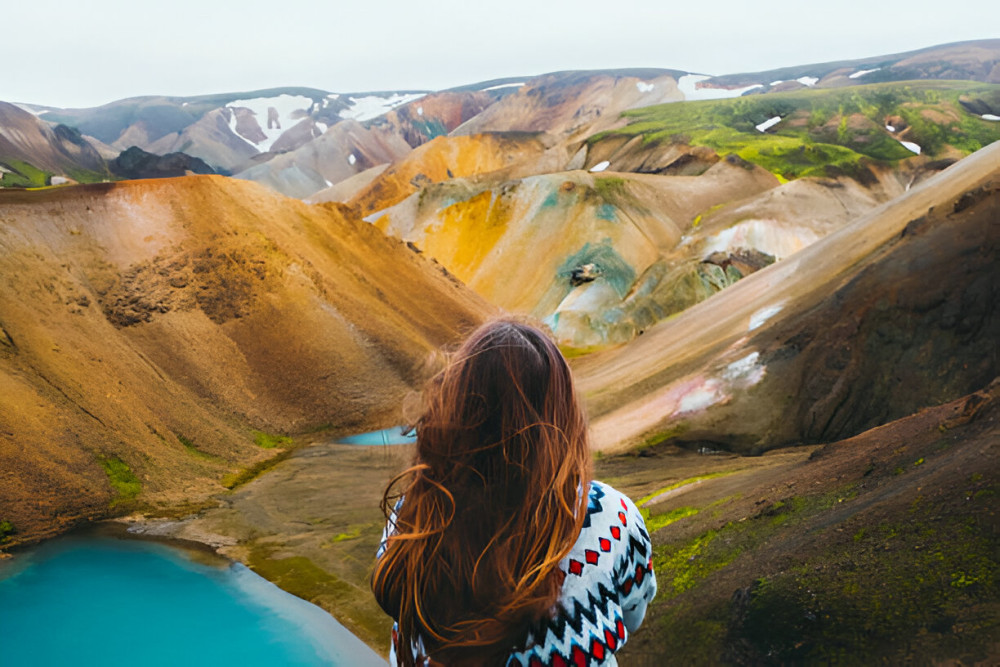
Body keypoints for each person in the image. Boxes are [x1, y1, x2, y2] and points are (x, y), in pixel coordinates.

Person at [372, 318, 656, 666]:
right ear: (562, 414)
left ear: (456, 406)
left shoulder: (414, 513)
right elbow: (633, 612)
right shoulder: (609, 515)